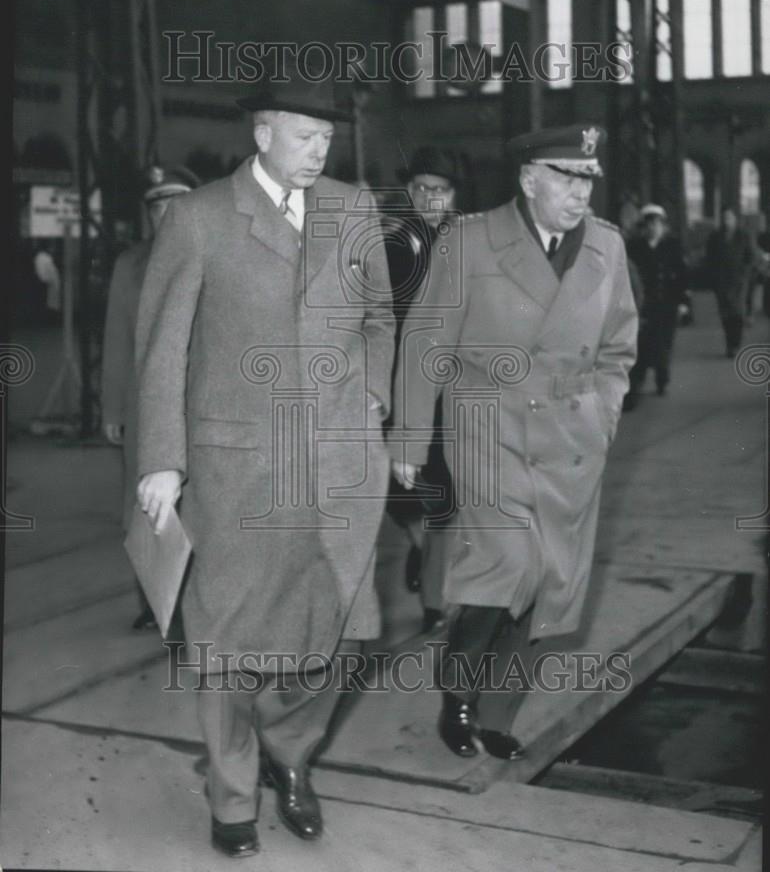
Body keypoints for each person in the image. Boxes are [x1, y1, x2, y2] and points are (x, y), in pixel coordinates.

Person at [134, 73, 395, 859]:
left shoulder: (356, 210)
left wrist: (374, 397)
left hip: (342, 466)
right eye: (303, 134)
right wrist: (162, 460)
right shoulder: (201, 217)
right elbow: (163, 346)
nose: (319, 150)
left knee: (340, 636)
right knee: (226, 645)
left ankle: (291, 752)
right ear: (261, 134)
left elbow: (381, 316)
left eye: (328, 137)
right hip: (238, 469)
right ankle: (233, 796)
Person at [390, 123, 637, 761]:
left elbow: (618, 349)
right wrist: (410, 443)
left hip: (572, 437)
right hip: (490, 429)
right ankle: (458, 689)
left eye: (587, 178)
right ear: (529, 180)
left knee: (550, 579)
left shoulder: (607, 248)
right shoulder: (469, 241)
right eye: (565, 177)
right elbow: (425, 345)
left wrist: (604, 413)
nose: (580, 192)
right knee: (507, 565)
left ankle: (497, 712)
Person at [101, 164, 199, 630]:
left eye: (175, 204)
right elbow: (117, 338)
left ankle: (192, 604)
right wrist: (113, 408)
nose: (165, 214)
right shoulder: (131, 264)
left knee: (197, 504)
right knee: (141, 506)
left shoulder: (212, 257)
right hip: (145, 408)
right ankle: (155, 600)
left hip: (200, 404)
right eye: (157, 207)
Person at [384, 147, 460, 632]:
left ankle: (435, 597)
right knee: (403, 493)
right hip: (405, 388)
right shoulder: (393, 246)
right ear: (411, 193)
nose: (432, 197)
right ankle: (419, 548)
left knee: (447, 497)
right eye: (423, 188)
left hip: (455, 393)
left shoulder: (466, 243)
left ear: (454, 198)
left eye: (441, 190)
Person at [624, 203, 688, 408]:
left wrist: (683, 302)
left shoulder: (672, 246)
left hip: (667, 304)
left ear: (663, 226)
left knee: (664, 344)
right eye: (649, 224)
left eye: (657, 224)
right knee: (640, 344)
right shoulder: (634, 247)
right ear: (644, 227)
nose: (653, 228)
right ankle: (637, 384)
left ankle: (662, 377)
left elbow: (682, 276)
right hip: (643, 305)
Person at [706, 208, 755, 357]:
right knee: (726, 314)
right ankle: (729, 343)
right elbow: (709, 257)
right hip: (721, 281)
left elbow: (751, 256)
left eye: (730, 218)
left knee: (738, 313)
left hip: (739, 280)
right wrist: (713, 276)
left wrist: (745, 272)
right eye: (724, 218)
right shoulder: (715, 237)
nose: (727, 221)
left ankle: (735, 343)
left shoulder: (744, 236)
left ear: (735, 219)